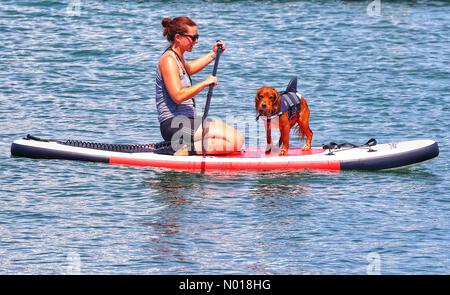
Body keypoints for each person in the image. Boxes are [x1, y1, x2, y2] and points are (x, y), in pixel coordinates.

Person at [156, 16, 244, 155]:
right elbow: (178, 96)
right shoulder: (168, 60)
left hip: (186, 123)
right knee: (235, 140)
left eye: (197, 37)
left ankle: (184, 147)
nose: (196, 41)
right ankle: (178, 150)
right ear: (178, 37)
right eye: (193, 37)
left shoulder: (178, 57)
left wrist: (213, 54)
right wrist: (204, 83)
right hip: (174, 125)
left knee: (236, 139)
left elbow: (189, 68)